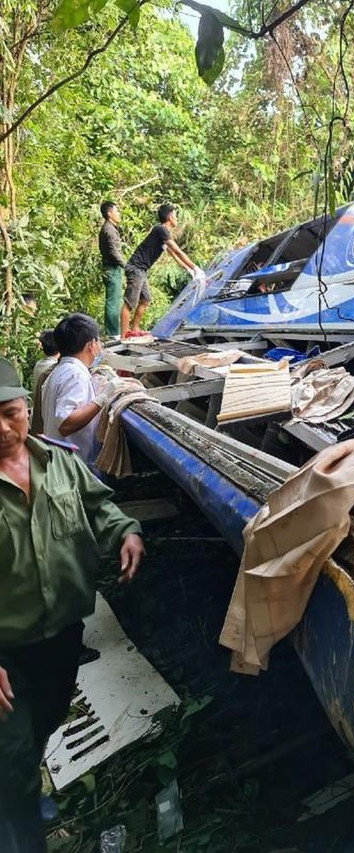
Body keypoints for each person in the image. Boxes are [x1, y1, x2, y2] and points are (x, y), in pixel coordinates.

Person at [0, 356, 144, 851]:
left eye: (10, 414)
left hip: (63, 635)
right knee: (13, 752)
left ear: (25, 409)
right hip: (7, 650)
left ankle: (22, 787)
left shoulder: (60, 462)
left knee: (47, 719)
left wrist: (125, 532)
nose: (3, 429)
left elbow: (99, 507)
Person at [41, 314, 121, 465]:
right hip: (71, 466)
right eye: (98, 341)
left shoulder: (60, 370)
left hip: (58, 460)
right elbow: (65, 423)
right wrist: (103, 398)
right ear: (91, 345)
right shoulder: (75, 374)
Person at [121, 203, 203, 339]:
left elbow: (174, 255)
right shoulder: (161, 230)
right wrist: (195, 267)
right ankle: (124, 335)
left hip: (141, 269)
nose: (177, 218)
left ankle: (135, 328)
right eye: (175, 215)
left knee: (145, 299)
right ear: (170, 217)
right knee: (130, 303)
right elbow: (177, 250)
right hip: (135, 268)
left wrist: (190, 270)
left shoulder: (163, 234)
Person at [99, 200, 125, 337]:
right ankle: (112, 333)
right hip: (112, 269)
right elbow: (113, 252)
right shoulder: (108, 230)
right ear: (109, 214)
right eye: (117, 211)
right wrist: (126, 266)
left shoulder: (109, 228)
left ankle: (114, 332)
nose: (119, 214)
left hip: (112, 269)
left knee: (115, 300)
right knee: (113, 302)